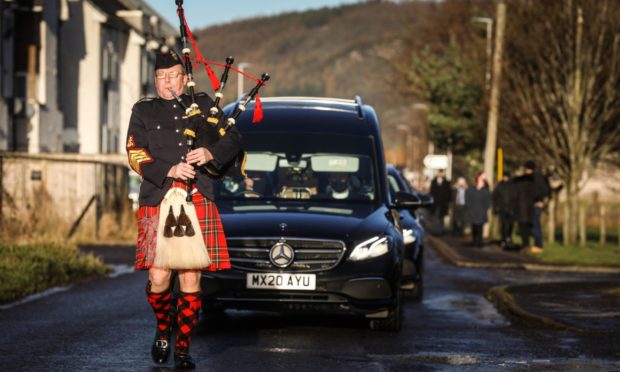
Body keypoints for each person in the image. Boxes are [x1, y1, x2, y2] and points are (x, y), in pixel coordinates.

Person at [126, 48, 242, 369]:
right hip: (158, 196)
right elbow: (135, 153)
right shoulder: (143, 111)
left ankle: (183, 348)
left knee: (191, 276)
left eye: (173, 75)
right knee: (160, 277)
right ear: (155, 80)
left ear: (184, 77)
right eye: (161, 77)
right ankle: (165, 328)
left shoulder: (204, 105)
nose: (167, 82)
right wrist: (169, 169)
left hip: (198, 197)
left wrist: (209, 152)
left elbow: (233, 139)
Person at [513, 161, 550, 254]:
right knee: (532, 225)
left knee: (535, 224)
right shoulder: (535, 178)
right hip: (530, 205)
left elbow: (542, 191)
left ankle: (538, 245)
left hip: (534, 205)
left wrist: (539, 200)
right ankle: (534, 244)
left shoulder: (536, 178)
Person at [464, 172, 492, 247]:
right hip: (472, 211)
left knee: (480, 227)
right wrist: (470, 208)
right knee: (474, 227)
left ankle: (479, 242)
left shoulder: (486, 191)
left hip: (481, 212)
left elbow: (488, 202)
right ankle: (474, 241)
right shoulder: (471, 189)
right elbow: (467, 200)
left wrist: (484, 209)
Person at [492, 171, 516, 250]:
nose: (505, 178)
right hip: (502, 208)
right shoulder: (499, 185)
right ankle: (503, 239)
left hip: (511, 208)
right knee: (502, 225)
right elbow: (494, 197)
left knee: (510, 225)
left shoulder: (512, 185)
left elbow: (515, 197)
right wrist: (495, 207)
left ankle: (508, 237)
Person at [429, 169, 452, 234]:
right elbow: (431, 192)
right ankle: (435, 230)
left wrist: (447, 202)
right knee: (435, 217)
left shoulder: (447, 183)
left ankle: (440, 231)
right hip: (435, 204)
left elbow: (448, 194)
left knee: (441, 218)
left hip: (443, 204)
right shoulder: (434, 182)